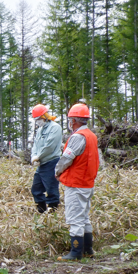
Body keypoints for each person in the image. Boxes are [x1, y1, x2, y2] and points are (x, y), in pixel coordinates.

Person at [55, 103, 100, 261]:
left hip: (76, 184)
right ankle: (87, 250)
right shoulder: (91, 136)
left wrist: (57, 171)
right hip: (87, 183)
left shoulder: (77, 137)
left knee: (75, 218)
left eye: (70, 120)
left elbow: (67, 158)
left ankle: (75, 253)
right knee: (84, 217)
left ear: (74, 120)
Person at [30, 104, 63, 213]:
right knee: (36, 188)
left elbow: (50, 146)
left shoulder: (55, 128)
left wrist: (38, 157)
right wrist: (33, 157)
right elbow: (35, 145)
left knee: (51, 188)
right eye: (36, 119)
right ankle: (41, 210)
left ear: (45, 116)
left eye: (39, 118)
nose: (38, 121)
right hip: (41, 163)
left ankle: (53, 211)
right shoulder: (40, 130)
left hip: (51, 162)